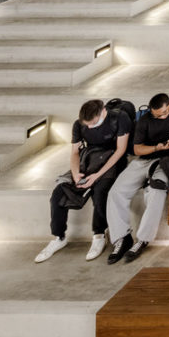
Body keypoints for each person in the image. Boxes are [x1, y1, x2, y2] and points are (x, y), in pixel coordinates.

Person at [105, 93, 169, 263]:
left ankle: (143, 239)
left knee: (156, 191)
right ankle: (122, 238)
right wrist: (155, 148)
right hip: (146, 158)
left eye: (164, 113)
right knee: (115, 191)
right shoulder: (145, 120)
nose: (160, 117)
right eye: (157, 115)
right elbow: (137, 149)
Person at [37, 98, 132, 263]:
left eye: (93, 123)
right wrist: (75, 173)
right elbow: (74, 152)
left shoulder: (119, 118)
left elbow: (120, 150)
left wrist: (97, 175)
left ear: (103, 112)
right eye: (87, 124)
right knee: (59, 192)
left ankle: (99, 234)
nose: (90, 127)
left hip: (113, 159)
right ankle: (59, 237)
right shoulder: (79, 124)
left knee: (101, 190)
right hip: (89, 158)